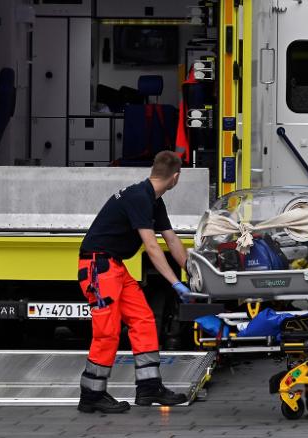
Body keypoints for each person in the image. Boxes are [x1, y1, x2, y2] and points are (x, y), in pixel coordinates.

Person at [76, 151, 193, 413]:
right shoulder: (140, 198)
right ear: (175, 177)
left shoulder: (153, 199)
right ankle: (91, 395)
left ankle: (149, 387)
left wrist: (193, 273)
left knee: (143, 319)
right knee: (107, 331)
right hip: (98, 266)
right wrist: (175, 282)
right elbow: (152, 247)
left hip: (114, 266)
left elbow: (171, 240)